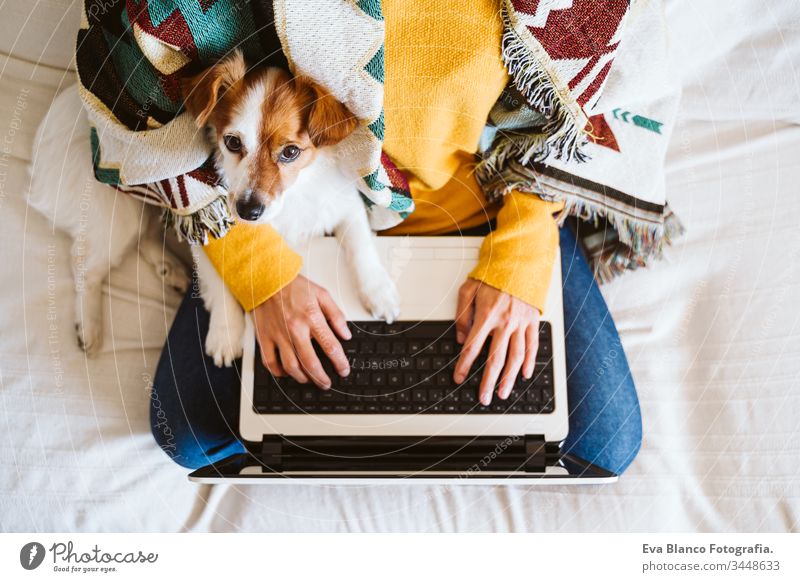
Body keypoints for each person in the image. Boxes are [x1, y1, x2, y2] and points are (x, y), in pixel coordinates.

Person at [149, 0, 642, 475]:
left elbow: (578, 109)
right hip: (296, 219)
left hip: (492, 206)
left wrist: (521, 258)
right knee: (189, 434)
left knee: (606, 441)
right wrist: (258, 271)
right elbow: (155, 96)